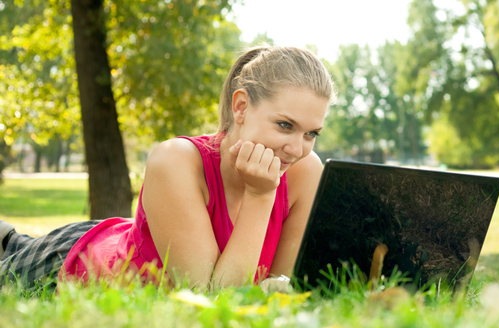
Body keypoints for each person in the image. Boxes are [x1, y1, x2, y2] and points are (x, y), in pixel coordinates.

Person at [0, 45, 335, 291]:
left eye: (311, 134)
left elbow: (278, 291)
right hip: (73, 260)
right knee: (15, 255)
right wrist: (261, 196)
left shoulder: (306, 172)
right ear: (241, 107)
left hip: (132, 237)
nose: (297, 148)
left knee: (13, 240)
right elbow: (212, 298)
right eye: (285, 125)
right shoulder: (176, 160)